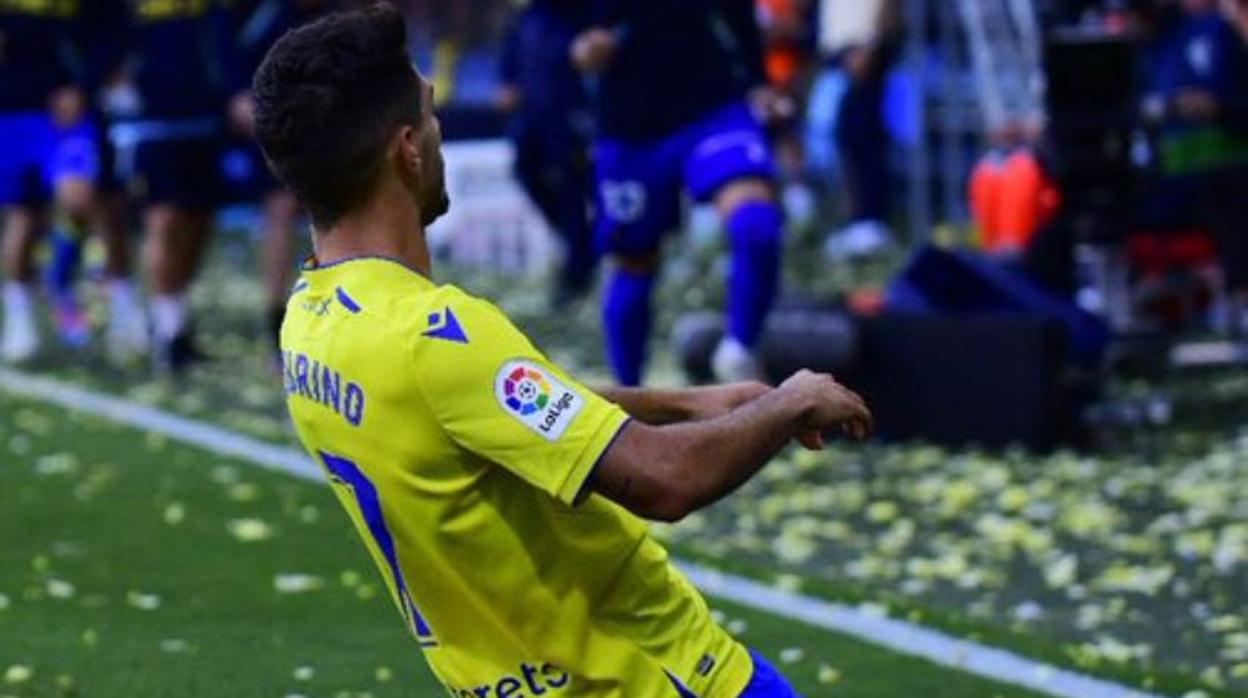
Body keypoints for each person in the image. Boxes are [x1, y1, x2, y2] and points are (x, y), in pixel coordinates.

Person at [255, 5, 872, 695]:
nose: (439, 132)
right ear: (407, 150)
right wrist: (790, 403)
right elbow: (665, 482)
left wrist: (686, 400)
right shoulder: (437, 336)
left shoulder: (308, 323)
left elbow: (492, 420)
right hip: (651, 678)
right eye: (431, 117)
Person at [571, 0, 789, 385]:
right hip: (630, 130)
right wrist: (579, 49)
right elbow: (551, 28)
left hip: (711, 107)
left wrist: (759, 84)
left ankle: (739, 352)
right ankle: (629, 401)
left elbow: (739, 15)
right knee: (634, 267)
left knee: (757, 224)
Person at [107, 0, 237, 373]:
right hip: (147, 117)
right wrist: (106, 74)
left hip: (203, 111)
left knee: (199, 219)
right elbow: (100, 27)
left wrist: (230, 87)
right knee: (163, 217)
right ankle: (165, 329)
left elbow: (226, 28)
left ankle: (174, 317)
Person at [225, 0, 336, 352]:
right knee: (282, 206)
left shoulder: (341, 21)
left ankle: (343, 308)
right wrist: (238, 96)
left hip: (333, 123)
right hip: (281, 122)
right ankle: (277, 320)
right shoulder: (263, 16)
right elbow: (229, 55)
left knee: (340, 209)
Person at [0, 0, 97, 362]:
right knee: (25, 216)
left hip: (64, 110)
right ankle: (19, 312)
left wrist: (82, 84)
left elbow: (107, 29)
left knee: (80, 201)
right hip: (11, 110)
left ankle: (58, 276)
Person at [497, 0, 598, 306]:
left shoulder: (579, 11)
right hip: (532, 113)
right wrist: (508, 81)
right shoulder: (526, 14)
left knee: (572, 188)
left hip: (569, 111)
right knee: (524, 169)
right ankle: (575, 241)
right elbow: (512, 49)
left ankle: (577, 272)